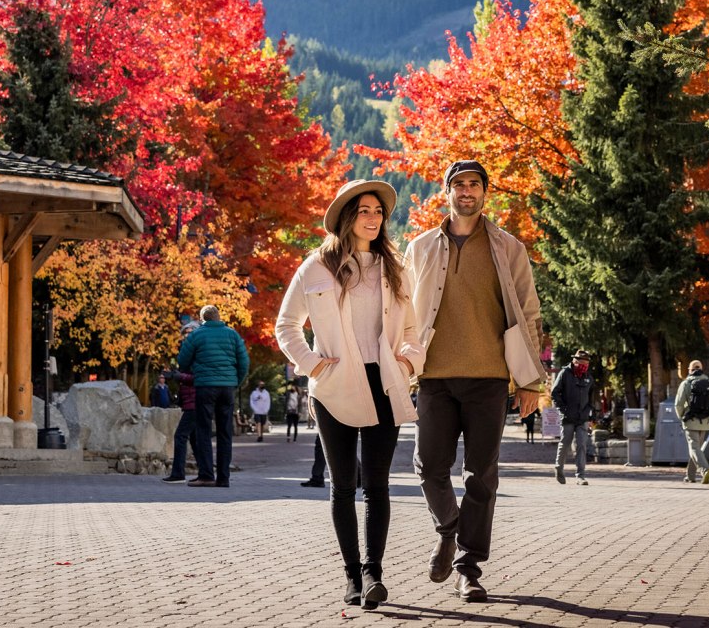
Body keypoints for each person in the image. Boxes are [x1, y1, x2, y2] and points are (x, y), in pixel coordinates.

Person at [277, 179, 424, 612]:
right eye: (364, 210)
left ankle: (373, 572)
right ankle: (351, 576)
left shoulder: (396, 266)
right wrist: (313, 364)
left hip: (385, 384)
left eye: (378, 211)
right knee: (343, 487)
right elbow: (286, 326)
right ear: (347, 217)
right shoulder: (316, 267)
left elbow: (414, 330)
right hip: (334, 388)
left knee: (378, 486)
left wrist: (408, 364)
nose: (373, 217)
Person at [407, 159, 544, 603]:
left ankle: (468, 566)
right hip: (434, 378)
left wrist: (530, 382)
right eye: (458, 185)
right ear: (446, 192)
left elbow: (528, 315)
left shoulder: (509, 248)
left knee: (481, 476)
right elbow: (402, 316)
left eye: (474, 185)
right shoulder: (420, 247)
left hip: (488, 377)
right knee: (429, 466)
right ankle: (448, 530)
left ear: (485, 192)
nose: (466, 191)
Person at [177, 304, 249, 488]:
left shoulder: (196, 335)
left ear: (203, 319)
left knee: (204, 431)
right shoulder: (232, 335)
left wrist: (194, 370)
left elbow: (182, 361)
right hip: (227, 388)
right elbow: (244, 362)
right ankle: (223, 478)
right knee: (225, 432)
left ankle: (207, 475)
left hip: (205, 387)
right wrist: (234, 382)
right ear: (218, 317)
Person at [551, 350, 596, 485]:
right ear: (575, 361)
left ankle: (580, 476)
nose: (584, 366)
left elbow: (592, 397)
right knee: (565, 443)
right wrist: (562, 409)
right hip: (568, 415)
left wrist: (591, 413)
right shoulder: (565, 373)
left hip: (582, 417)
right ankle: (559, 468)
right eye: (582, 363)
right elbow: (555, 393)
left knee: (582, 444)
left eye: (586, 364)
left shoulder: (588, 377)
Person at [676, 359, 709, 484]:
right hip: (705, 421)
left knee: (694, 448)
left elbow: (678, 404)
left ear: (690, 370)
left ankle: (705, 470)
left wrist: (681, 417)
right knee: (696, 448)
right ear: (701, 368)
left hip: (690, 419)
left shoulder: (686, 383)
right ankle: (690, 476)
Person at [160, 367, 198, 483]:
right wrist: (174, 375)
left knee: (180, 436)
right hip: (192, 405)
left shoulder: (195, 359)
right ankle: (206, 473)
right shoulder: (189, 361)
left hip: (194, 405)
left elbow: (197, 378)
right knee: (195, 439)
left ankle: (178, 474)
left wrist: (179, 376)